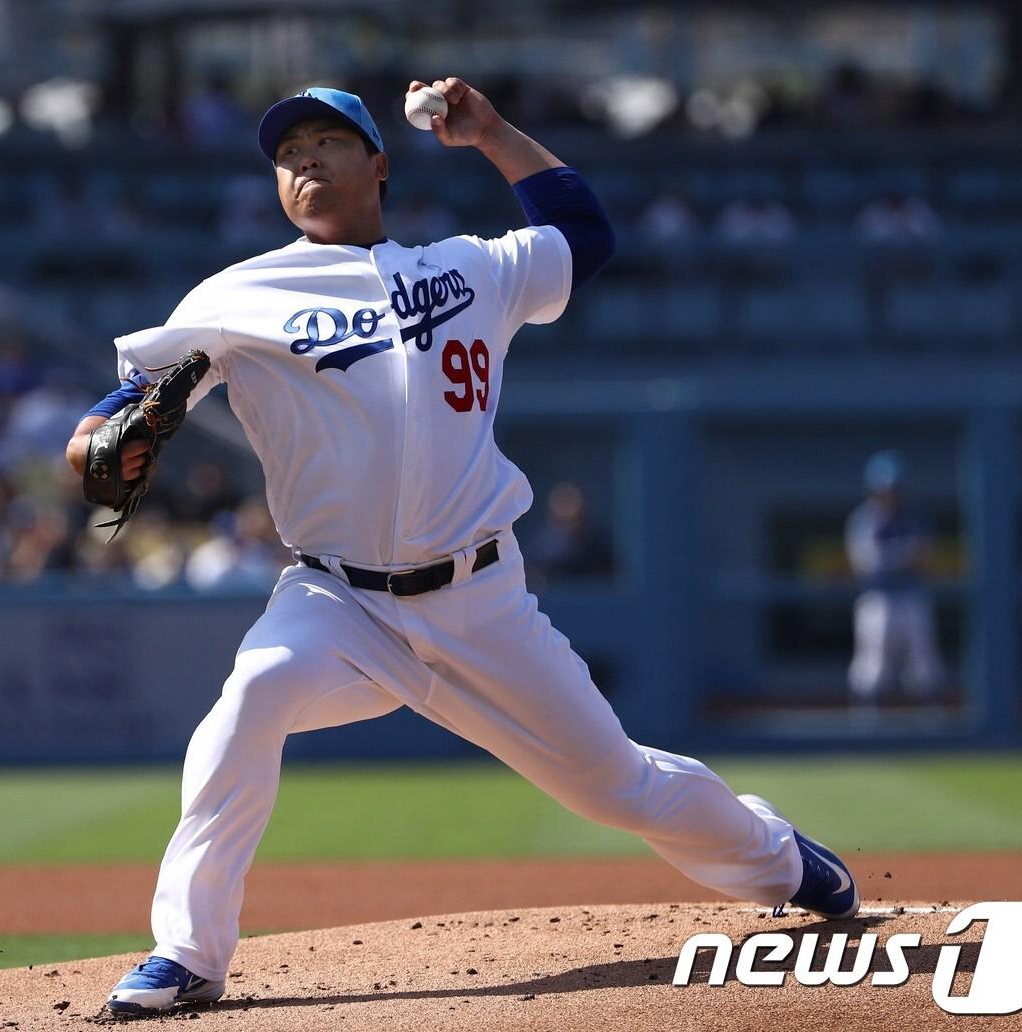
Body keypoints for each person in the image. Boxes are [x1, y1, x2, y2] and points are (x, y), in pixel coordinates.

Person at [65, 79, 860, 1017]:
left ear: (379, 164)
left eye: (326, 141)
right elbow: (122, 411)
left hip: (479, 601)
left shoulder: (471, 267)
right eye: (286, 152)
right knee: (250, 702)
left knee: (618, 788)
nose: (304, 159)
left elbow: (586, 234)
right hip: (337, 602)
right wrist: (92, 442)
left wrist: (493, 134)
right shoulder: (239, 295)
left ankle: (782, 861)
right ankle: (189, 953)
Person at [846, 450, 945, 702]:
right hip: (877, 597)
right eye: (883, 489)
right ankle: (867, 718)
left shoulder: (914, 517)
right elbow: (865, 564)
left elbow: (924, 558)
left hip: (911, 595)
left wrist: (900, 559)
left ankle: (926, 717)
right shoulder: (863, 519)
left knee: (923, 665)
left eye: (893, 489)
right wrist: (903, 558)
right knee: (873, 666)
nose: (889, 494)